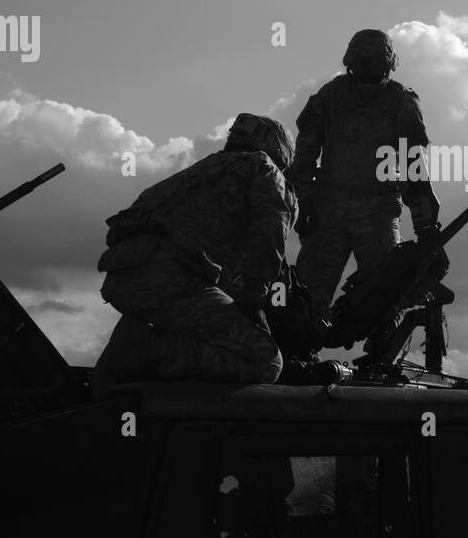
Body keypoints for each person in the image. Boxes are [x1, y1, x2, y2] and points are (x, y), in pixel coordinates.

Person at [93, 113, 296, 392]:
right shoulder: (263, 168)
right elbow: (270, 233)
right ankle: (148, 346)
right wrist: (256, 295)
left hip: (124, 282)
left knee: (204, 335)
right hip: (173, 280)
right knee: (264, 361)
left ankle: (132, 362)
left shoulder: (198, 171)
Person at [287, 28, 442, 319]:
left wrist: (425, 223)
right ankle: (300, 351)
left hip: (376, 210)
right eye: (362, 67)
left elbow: (413, 164)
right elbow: (305, 155)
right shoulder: (330, 96)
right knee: (308, 294)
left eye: (374, 67)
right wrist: (304, 202)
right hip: (330, 209)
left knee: (386, 290)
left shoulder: (401, 101)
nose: (367, 75)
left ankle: (381, 354)